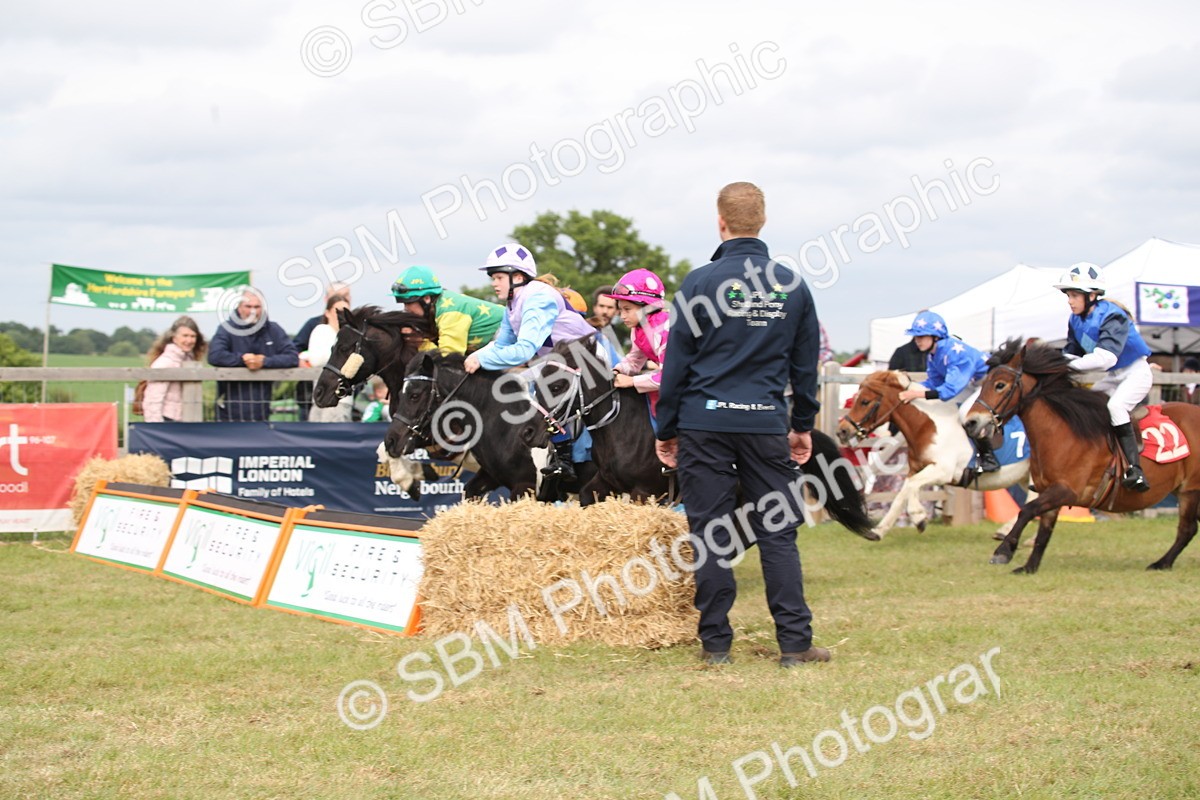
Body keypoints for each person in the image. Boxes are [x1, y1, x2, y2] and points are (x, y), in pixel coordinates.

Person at [655, 181, 828, 668]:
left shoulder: (698, 283)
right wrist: (802, 424)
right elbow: (805, 366)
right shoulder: (791, 285)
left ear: (721, 222)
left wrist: (666, 429)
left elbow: (676, 364)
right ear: (763, 221)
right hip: (764, 422)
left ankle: (716, 646)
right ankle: (794, 644)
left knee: (710, 532)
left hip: (703, 421)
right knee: (777, 532)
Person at [464, 242, 600, 482]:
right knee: (535, 390)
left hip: (591, 358)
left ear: (517, 277)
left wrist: (481, 359)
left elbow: (524, 350)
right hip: (558, 363)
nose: (494, 283)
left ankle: (573, 460)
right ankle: (562, 458)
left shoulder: (537, 296)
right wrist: (471, 358)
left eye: (498, 277)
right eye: (493, 278)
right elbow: (501, 344)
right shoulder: (512, 303)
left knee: (537, 391)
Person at [1054, 262, 1153, 491]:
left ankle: (1135, 470)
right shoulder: (1075, 319)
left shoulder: (1113, 316)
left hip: (1136, 373)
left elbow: (1106, 358)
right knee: (1082, 404)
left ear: (1091, 296)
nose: (1070, 301)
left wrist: (1065, 365)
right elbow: (1070, 354)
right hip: (1114, 376)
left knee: (1116, 407)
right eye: (1068, 295)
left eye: (1074, 295)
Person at [895, 309, 999, 473]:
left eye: (921, 336)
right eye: (915, 337)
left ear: (936, 337)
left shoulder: (952, 352)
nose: (917, 341)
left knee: (966, 413)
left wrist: (916, 394)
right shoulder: (933, 354)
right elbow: (934, 382)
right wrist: (909, 387)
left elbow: (949, 390)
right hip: (973, 383)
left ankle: (988, 457)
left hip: (990, 382)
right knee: (948, 409)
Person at [207, 288, 299, 422]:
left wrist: (264, 362)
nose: (253, 311)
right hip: (229, 411)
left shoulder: (273, 330)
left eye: (257, 307)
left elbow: (292, 357)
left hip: (262, 411)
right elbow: (215, 355)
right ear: (239, 308)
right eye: (248, 306)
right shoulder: (226, 329)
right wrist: (243, 360)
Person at [604, 269, 669, 426]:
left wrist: (632, 381)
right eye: (620, 310)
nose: (622, 316)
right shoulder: (638, 328)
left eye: (627, 309)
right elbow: (634, 361)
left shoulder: (665, 328)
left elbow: (669, 376)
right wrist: (616, 371)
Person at [391, 265, 502, 354]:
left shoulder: (450, 313)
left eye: (408, 303)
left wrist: (420, 343)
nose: (406, 309)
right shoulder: (438, 306)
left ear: (426, 298)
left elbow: (448, 358)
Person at [293, 283, 350, 420]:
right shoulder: (318, 328)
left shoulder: (352, 332)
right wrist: (303, 357)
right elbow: (301, 351)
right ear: (328, 311)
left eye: (346, 295)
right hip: (314, 393)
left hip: (343, 397)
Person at [142, 316, 207, 422]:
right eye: (185, 336)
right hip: (167, 420)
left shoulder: (189, 360)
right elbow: (153, 399)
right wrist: (155, 425)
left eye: (193, 336)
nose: (189, 340)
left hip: (185, 419)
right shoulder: (165, 362)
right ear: (174, 338)